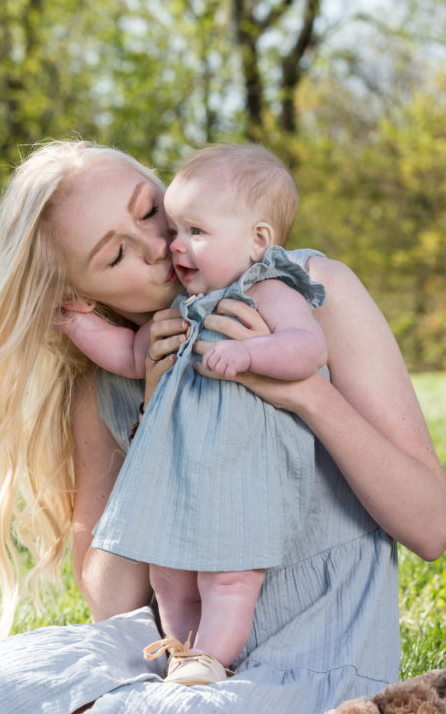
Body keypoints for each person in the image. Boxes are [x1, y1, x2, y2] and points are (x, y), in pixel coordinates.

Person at [0, 139, 446, 714]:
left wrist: (307, 393)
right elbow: (114, 603)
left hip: (316, 653)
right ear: (78, 296)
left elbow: (430, 528)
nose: (157, 247)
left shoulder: (308, 291)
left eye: (150, 212)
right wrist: (153, 415)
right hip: (181, 648)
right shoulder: (104, 380)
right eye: (115, 254)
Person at [62, 144, 328, 685]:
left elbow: (308, 348)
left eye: (193, 232)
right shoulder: (183, 308)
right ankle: (178, 658)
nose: (172, 246)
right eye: (178, 228)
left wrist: (252, 356)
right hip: (185, 484)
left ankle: (212, 657)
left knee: (231, 578)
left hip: (244, 478)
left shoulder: (268, 289)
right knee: (169, 577)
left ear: (257, 240)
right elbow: (130, 356)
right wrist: (73, 323)